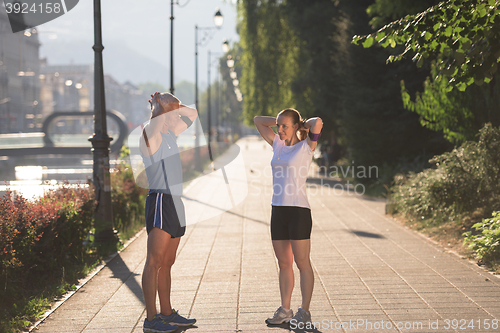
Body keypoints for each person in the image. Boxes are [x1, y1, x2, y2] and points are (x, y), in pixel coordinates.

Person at [254, 109, 323, 327]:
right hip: (278, 210)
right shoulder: (278, 145)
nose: (279, 129)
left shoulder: (307, 147)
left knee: (302, 263)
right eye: (278, 126)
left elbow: (318, 123)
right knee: (284, 263)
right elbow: (258, 121)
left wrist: (301, 124)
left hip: (299, 211)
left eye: (285, 126)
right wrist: (282, 121)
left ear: (296, 126)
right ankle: (285, 310)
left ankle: (304, 311)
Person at [140, 92, 198, 333]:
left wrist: (172, 105)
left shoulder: (170, 134)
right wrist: (159, 106)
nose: (178, 117)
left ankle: (167, 313)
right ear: (161, 114)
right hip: (161, 200)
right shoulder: (150, 135)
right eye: (172, 114)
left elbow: (192, 114)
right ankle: (151, 320)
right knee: (154, 261)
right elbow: (155, 123)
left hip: (175, 202)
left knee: (167, 262)